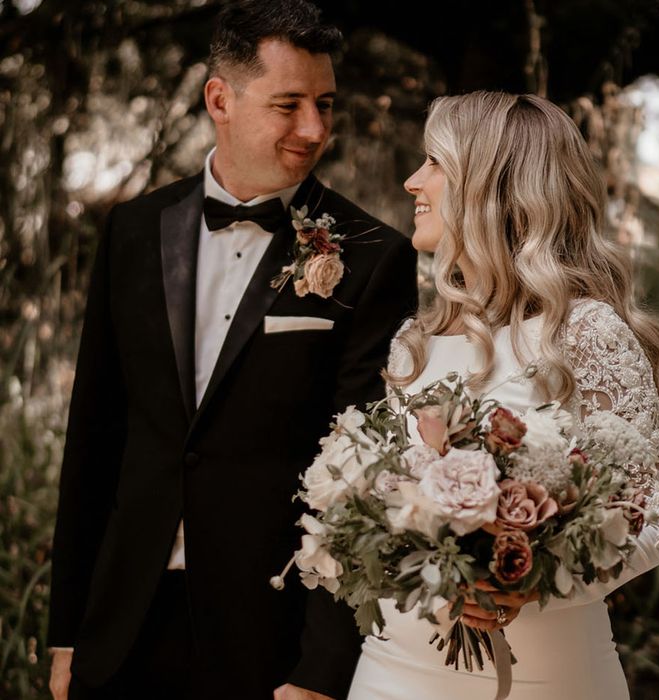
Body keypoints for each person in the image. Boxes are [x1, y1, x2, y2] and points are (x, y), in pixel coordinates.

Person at [46, 2, 417, 699]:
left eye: (325, 104)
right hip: (123, 627)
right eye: (289, 105)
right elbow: (94, 439)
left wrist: (321, 672)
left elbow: (365, 480)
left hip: (267, 638)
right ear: (220, 98)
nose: (314, 128)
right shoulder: (134, 230)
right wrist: (67, 632)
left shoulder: (373, 257)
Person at [347, 91, 659, 699]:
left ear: (490, 184)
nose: (412, 181)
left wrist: (534, 581)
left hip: (545, 676)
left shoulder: (587, 332)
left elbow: (652, 522)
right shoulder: (415, 340)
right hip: (392, 672)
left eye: (433, 162)